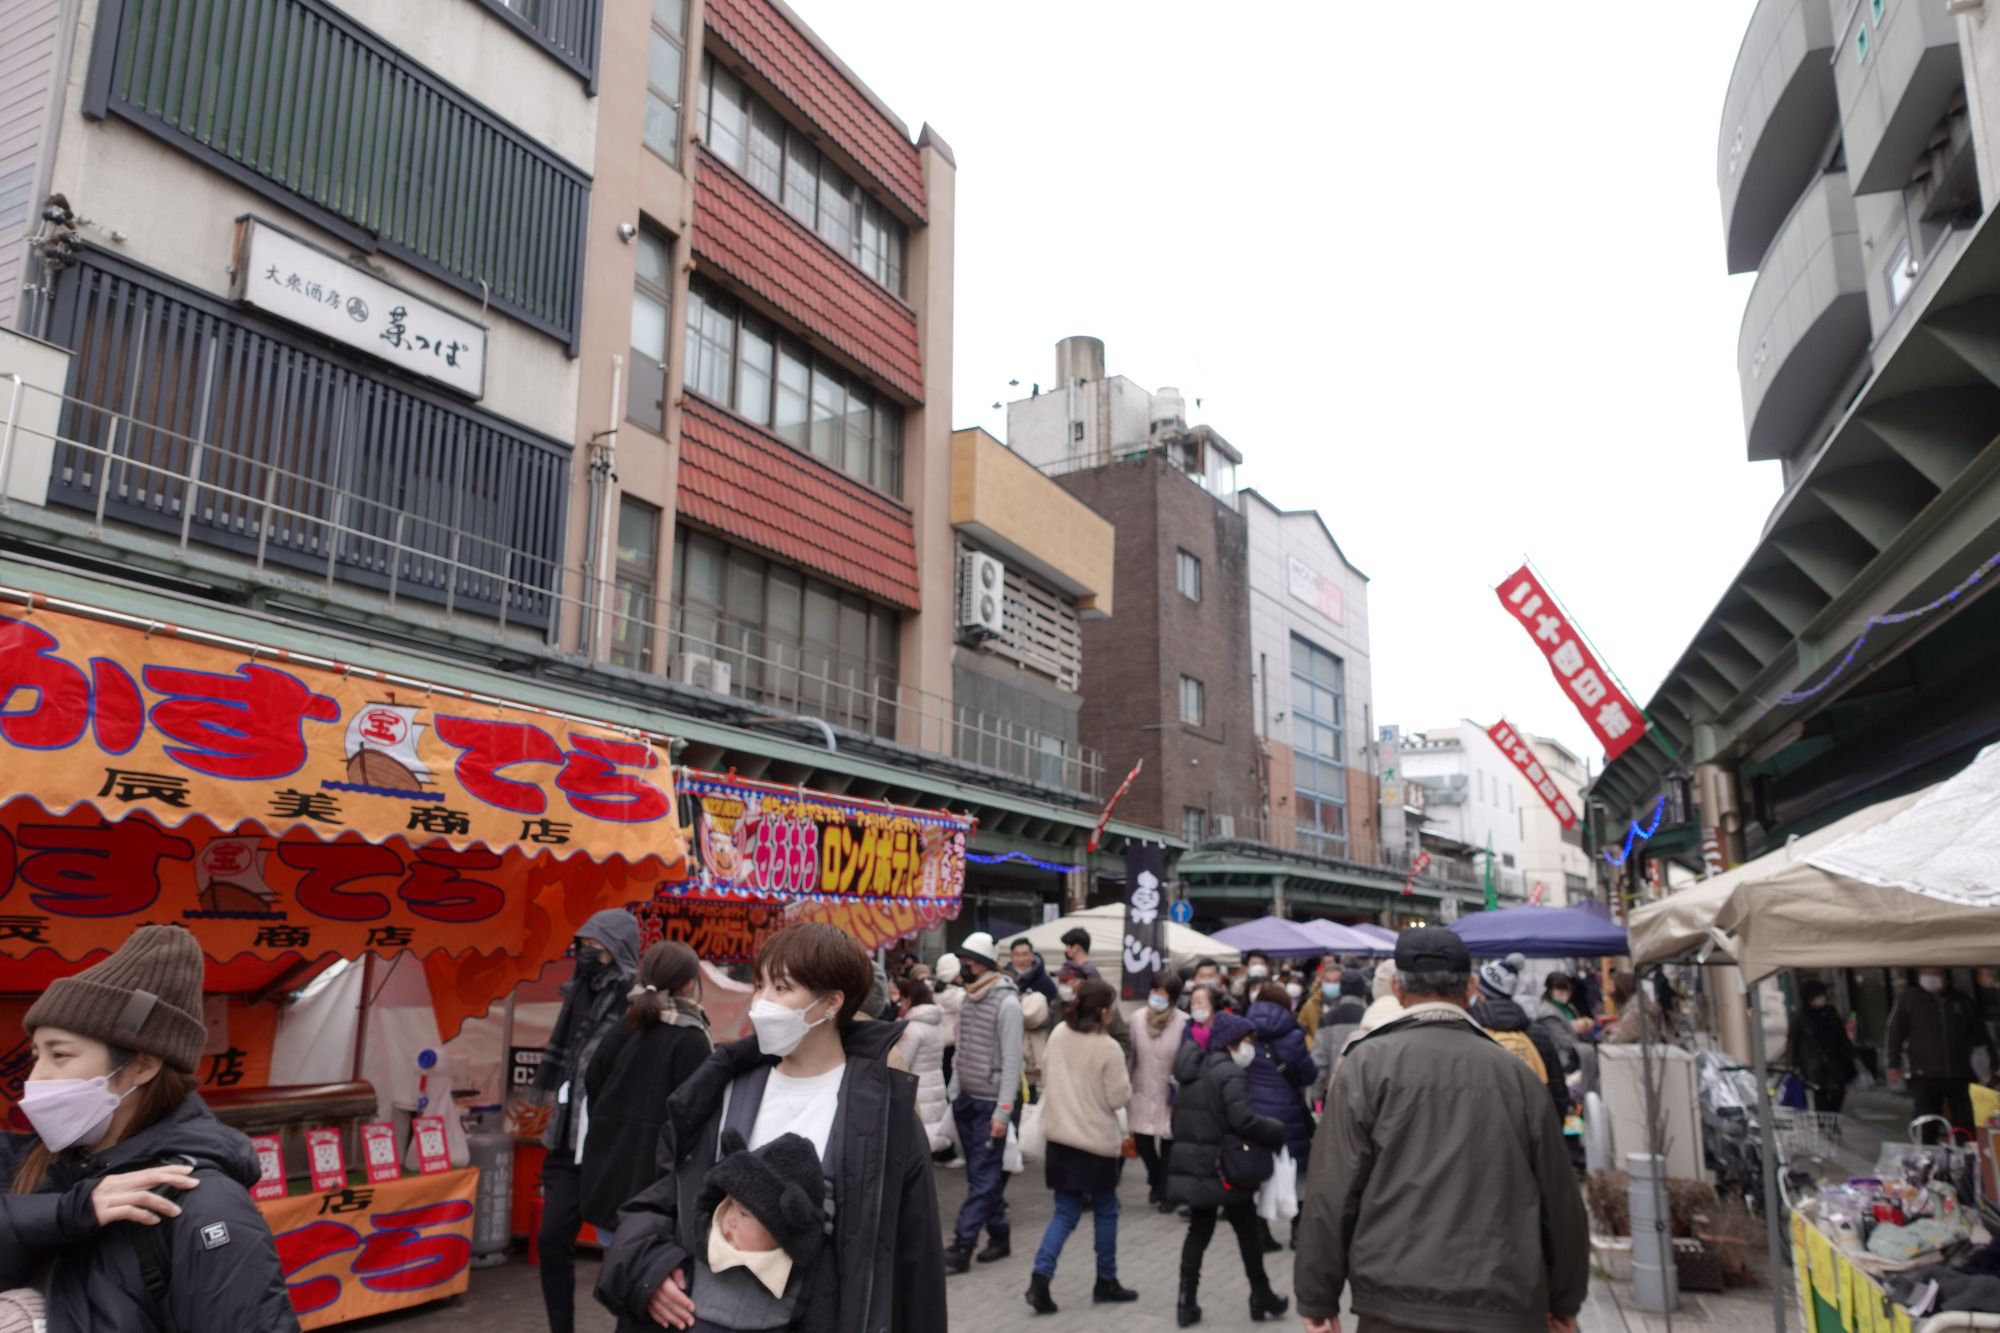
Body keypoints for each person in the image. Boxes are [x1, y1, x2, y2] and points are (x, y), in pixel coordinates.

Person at [594, 922, 946, 1333]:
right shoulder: (724, 1087)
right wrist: (648, 1271)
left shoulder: (885, 1118)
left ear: (832, 1002)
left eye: (780, 988)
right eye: (759, 985)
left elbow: (916, 1259)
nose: (761, 1002)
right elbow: (663, 1198)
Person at [0, 924, 297, 1331]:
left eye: (60, 1055)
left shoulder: (204, 1203)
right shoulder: (46, 1165)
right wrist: (63, 1214)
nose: (37, 1077)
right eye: (36, 1055)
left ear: (143, 1065)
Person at [1295, 927, 1590, 1333]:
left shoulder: (1365, 1066)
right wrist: (1564, 1298)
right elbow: (1560, 1199)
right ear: (1470, 988)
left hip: (1393, 1303)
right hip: (1506, 1301)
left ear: (1397, 990)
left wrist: (1317, 1295)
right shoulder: (1516, 1074)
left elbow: (1332, 1190)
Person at [536, 909, 641, 1333]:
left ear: (617, 950)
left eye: (596, 946)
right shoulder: (576, 993)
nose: (586, 953)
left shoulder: (636, 1002)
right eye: (583, 945)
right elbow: (566, 1063)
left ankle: (625, 1325)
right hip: (564, 1139)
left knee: (620, 1249)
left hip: (609, 1145)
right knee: (549, 1238)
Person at [1164, 1011, 1289, 1327]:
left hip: (1198, 1167)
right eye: (1248, 1042)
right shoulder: (1230, 1074)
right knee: (1248, 1234)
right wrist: (1274, 1129)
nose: (1251, 1049)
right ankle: (1261, 1295)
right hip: (1226, 1169)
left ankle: (1185, 1300)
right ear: (1232, 1043)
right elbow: (1242, 1120)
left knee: (1198, 1231)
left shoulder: (1194, 1071)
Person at [581, 941, 714, 1232]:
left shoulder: (623, 1026)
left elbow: (592, 1087)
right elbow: (699, 1117)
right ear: (689, 984)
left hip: (608, 1176)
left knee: (613, 1267)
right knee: (647, 1272)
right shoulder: (692, 1038)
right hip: (659, 1192)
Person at [1025, 979, 1135, 1313]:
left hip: (1061, 1139)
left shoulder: (1058, 1034)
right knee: (1106, 1212)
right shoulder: (1108, 1048)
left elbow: (1045, 1072)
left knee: (1065, 1212)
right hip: (1096, 1144)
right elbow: (1119, 1096)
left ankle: (1039, 1280)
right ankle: (1106, 1280)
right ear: (1102, 1011)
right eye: (1111, 1006)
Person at [944, 932, 1024, 1272]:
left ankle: (962, 1245)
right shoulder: (968, 999)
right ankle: (1001, 1236)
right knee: (981, 1176)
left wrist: (1003, 1112)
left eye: (969, 963)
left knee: (984, 1177)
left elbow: (1012, 1062)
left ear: (986, 965)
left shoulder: (1007, 1003)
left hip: (991, 1105)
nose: (964, 968)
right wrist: (954, 1093)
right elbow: (961, 1049)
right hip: (966, 1101)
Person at [1242, 981, 1317, 1244]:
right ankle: (1298, 1232)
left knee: (1259, 1169)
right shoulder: (1294, 1034)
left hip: (1253, 1110)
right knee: (1297, 1170)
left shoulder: (1244, 1031)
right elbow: (1308, 1073)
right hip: (1289, 1112)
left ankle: (1261, 1233)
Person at [1885, 967, 1996, 1140]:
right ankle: (1926, 1156)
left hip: (1961, 1072)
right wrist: (1893, 1063)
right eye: (1925, 974)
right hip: (1925, 1072)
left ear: (1946, 977)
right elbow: (1895, 1032)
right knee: (1926, 1121)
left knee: (1965, 1122)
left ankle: (1964, 1156)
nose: (1929, 978)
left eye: (1934, 974)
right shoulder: (1910, 999)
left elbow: (1980, 1035)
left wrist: (1992, 1064)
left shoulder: (1962, 1001)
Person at [1471, 957, 1570, 1122]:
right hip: (1534, 1128)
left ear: (1481, 994)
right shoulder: (1536, 1033)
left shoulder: (1472, 1032)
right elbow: (1558, 1092)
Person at [1127, 970, 1187, 1211]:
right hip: (1141, 1087)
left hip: (1169, 1091)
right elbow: (1131, 1055)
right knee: (1143, 1141)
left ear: (1172, 998)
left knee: (1168, 1144)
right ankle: (1155, 1179)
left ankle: (1166, 1192)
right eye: (1155, 991)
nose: (1157, 997)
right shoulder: (1137, 1018)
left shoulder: (1184, 1022)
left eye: (1163, 994)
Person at [895, 977, 953, 1152]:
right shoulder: (935, 1023)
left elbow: (902, 1062)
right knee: (932, 1128)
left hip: (917, 1086)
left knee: (919, 1137)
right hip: (934, 1080)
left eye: (902, 998)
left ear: (909, 999)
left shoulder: (911, 1027)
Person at [1787, 978, 1857, 1115]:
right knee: (1821, 1095)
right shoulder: (1801, 1016)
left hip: (1835, 1061)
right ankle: (1825, 1126)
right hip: (1814, 1065)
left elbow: (1841, 1035)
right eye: (1819, 996)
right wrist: (1792, 1064)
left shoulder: (1830, 1012)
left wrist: (1851, 1054)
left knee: (1839, 1091)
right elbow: (1792, 1042)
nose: (1823, 999)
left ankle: (1832, 1122)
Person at [1306, 970, 1369, 1107]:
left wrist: (1316, 1096)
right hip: (1367, 1095)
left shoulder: (1328, 1018)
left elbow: (1320, 1061)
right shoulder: (1371, 1017)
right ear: (1363, 994)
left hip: (1336, 1095)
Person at [1009, 938, 1060, 1006]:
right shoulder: (1004, 977)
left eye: (1025, 954)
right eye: (1017, 955)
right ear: (1011, 957)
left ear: (1032, 956)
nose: (1021, 959)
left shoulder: (1044, 981)